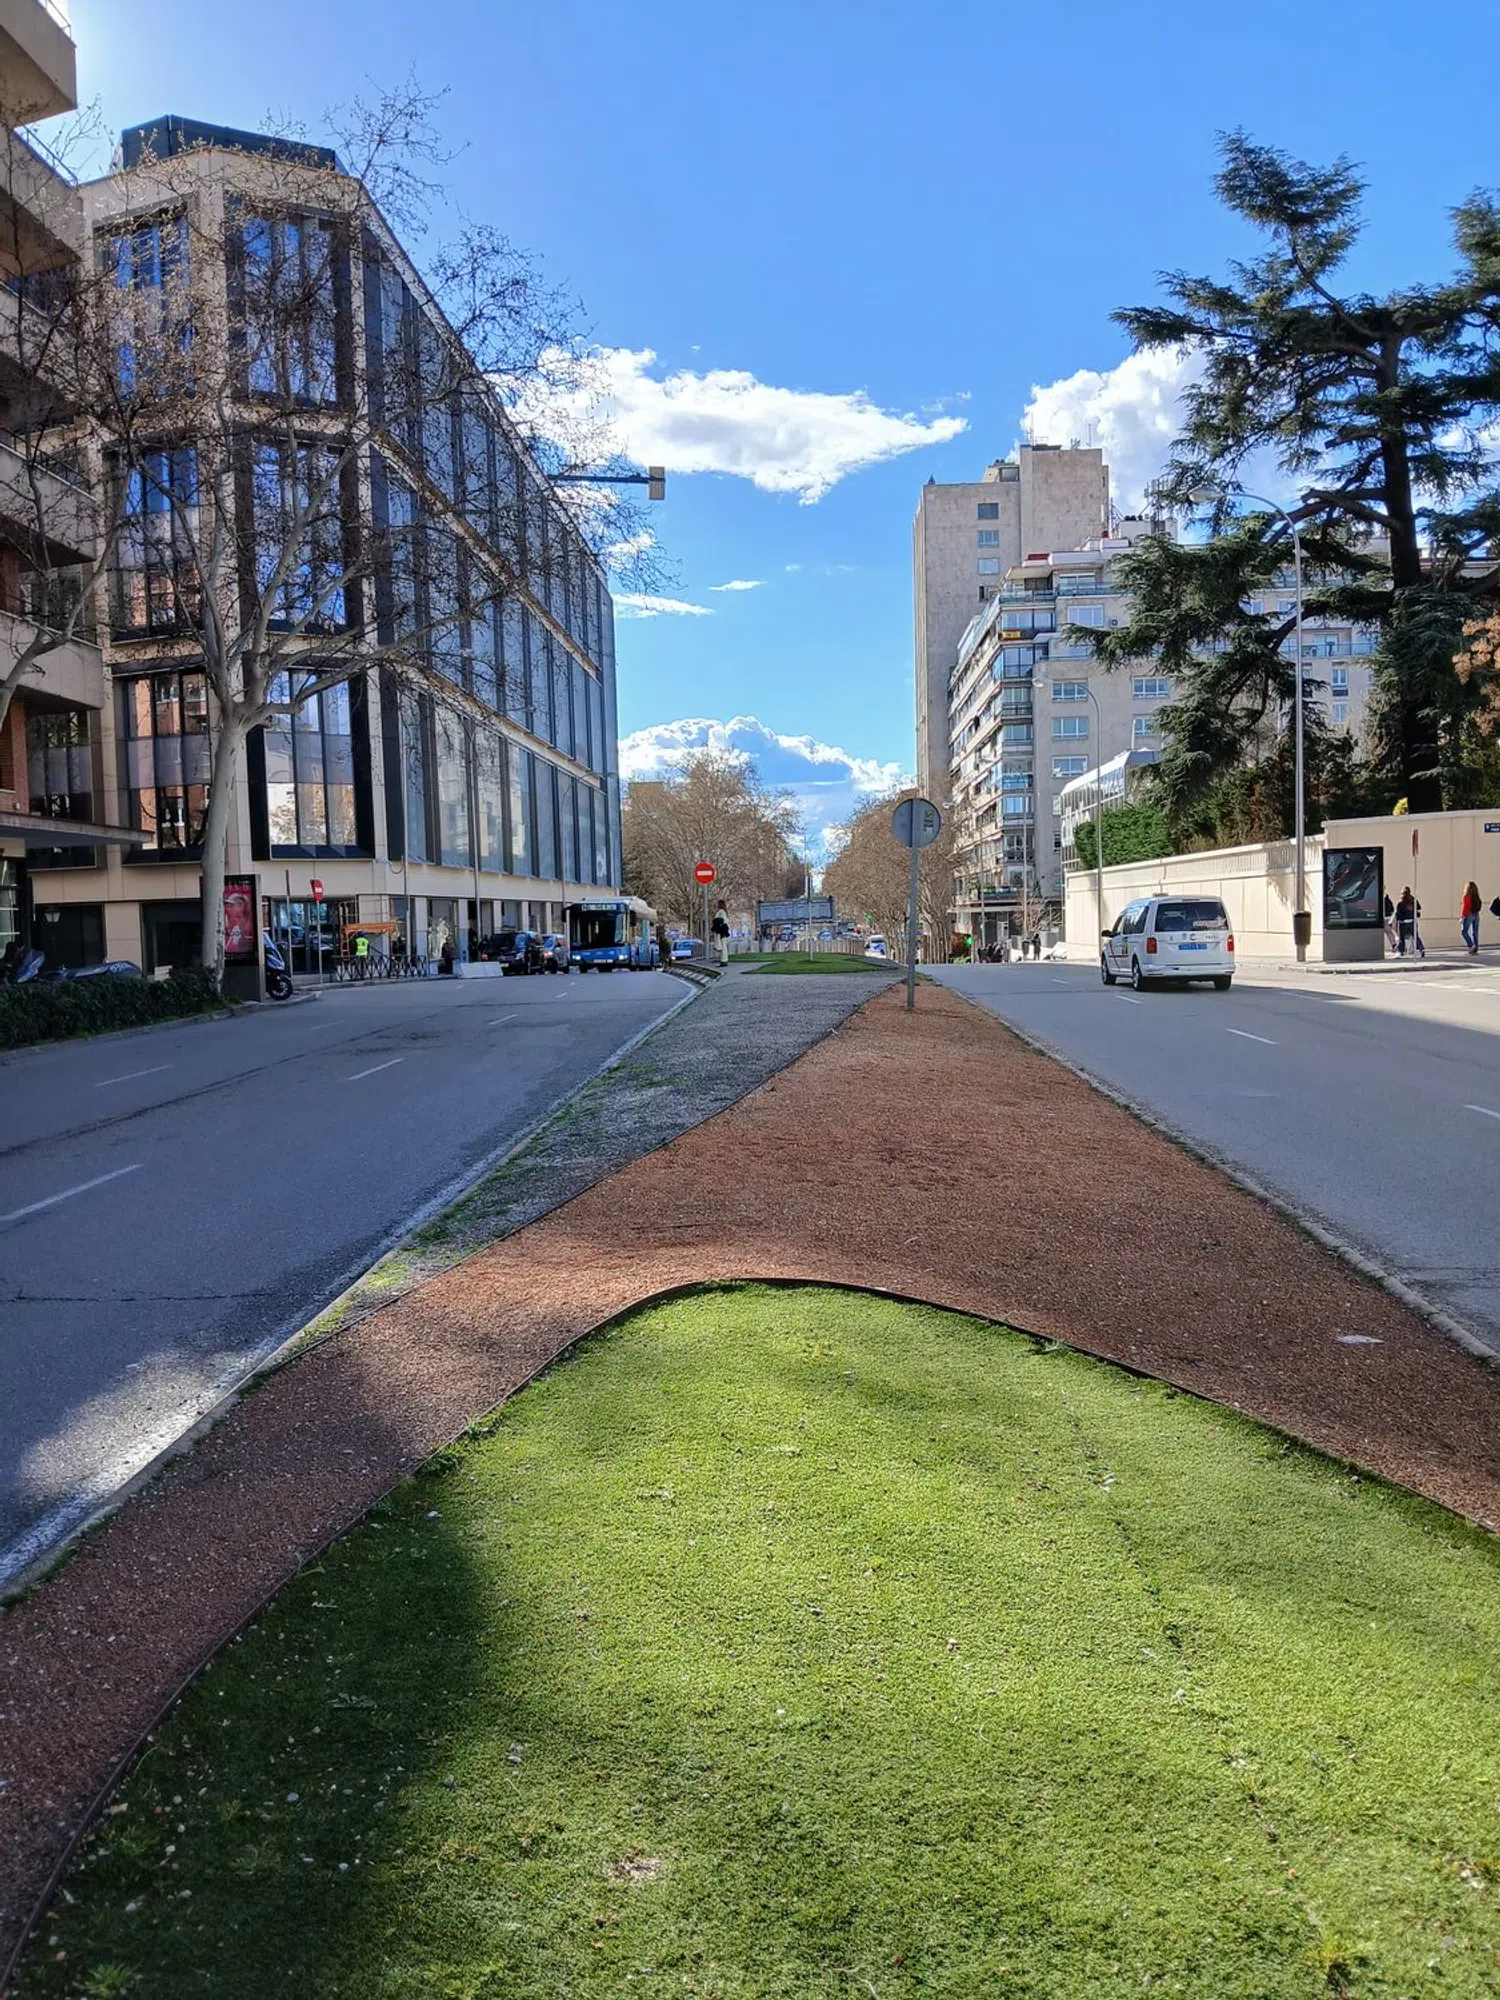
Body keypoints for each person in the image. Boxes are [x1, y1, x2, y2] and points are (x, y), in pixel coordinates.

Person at [1395, 886, 1424, 958]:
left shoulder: (1401, 901)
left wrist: (1399, 919)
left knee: (1402, 937)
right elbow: (1419, 907)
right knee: (1415, 936)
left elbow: (1399, 913)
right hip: (1412, 921)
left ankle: (1401, 952)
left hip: (1403, 922)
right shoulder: (1413, 900)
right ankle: (1421, 949)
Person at [1461, 880, 1482, 955]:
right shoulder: (1476, 896)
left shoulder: (1466, 896)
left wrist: (1462, 917)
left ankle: (1471, 946)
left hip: (1468, 915)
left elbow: (1465, 907)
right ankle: (1475, 949)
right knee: (1475, 933)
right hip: (1476, 915)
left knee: (1464, 932)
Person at [711, 898, 731, 968]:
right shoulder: (723, 912)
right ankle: (723, 960)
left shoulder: (721, 911)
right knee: (723, 946)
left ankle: (724, 960)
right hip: (723, 930)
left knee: (722, 946)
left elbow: (721, 921)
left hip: (721, 931)